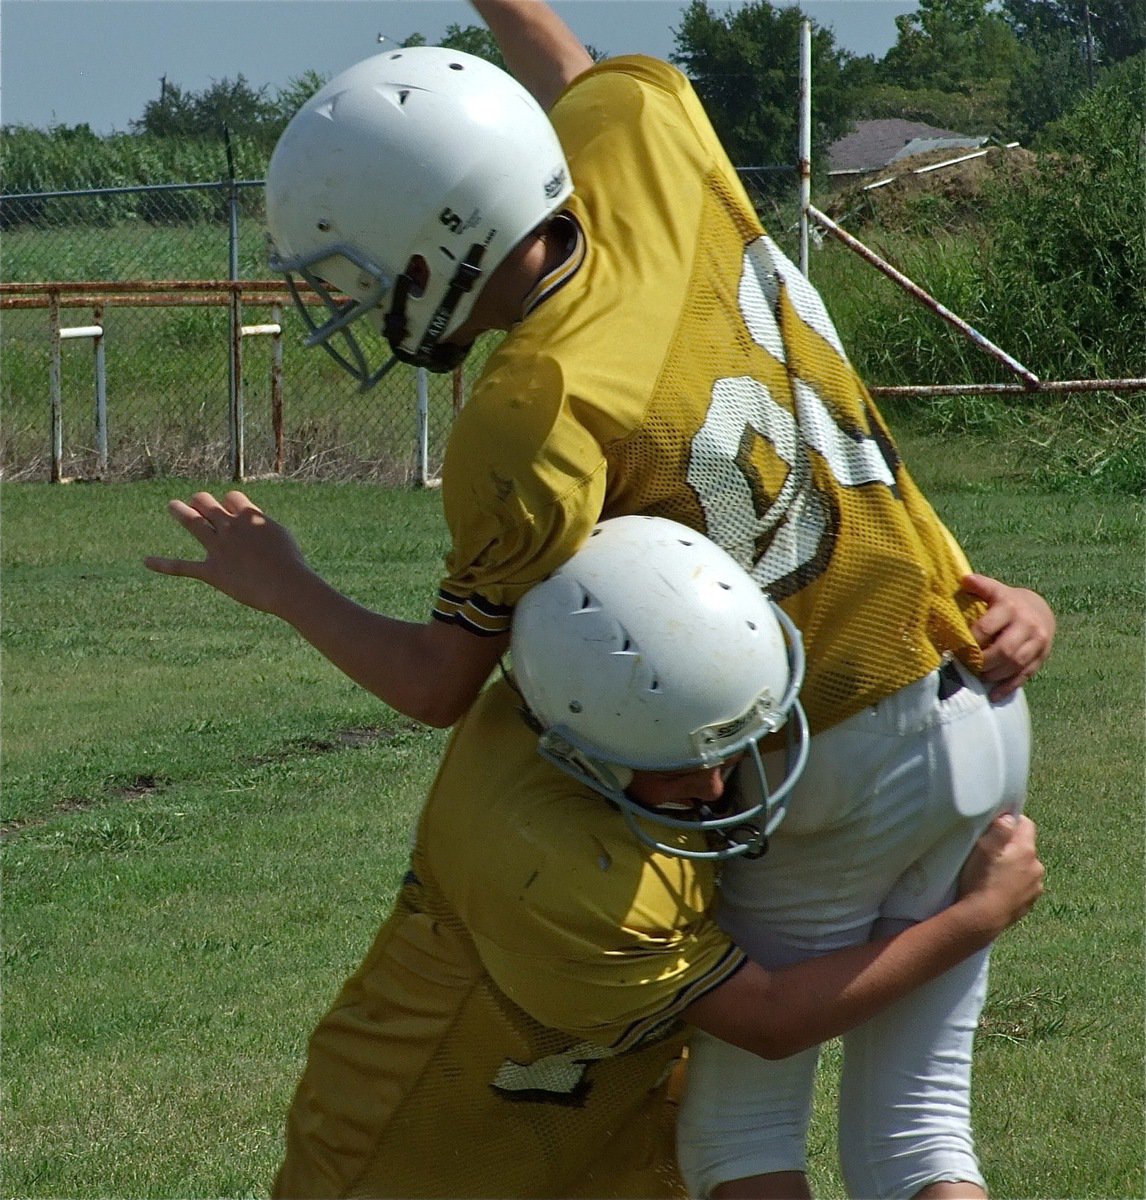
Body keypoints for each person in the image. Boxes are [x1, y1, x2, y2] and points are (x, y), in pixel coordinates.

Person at [145, 3, 1056, 1195]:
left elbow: (441, 680)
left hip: (809, 743)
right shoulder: (640, 138)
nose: (359, 306)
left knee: (739, 1139)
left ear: (432, 253)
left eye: (363, 277)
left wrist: (287, 586)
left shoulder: (531, 411)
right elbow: (571, 73)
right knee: (922, 1125)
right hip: (974, 675)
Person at [268, 515, 1044, 1198]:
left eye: (730, 746)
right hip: (427, 1154)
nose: (717, 784)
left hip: (608, 1138)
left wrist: (1013, 608)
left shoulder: (591, 669)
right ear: (584, 752)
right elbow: (770, 1018)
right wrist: (977, 918)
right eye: (680, 766)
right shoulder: (566, 869)